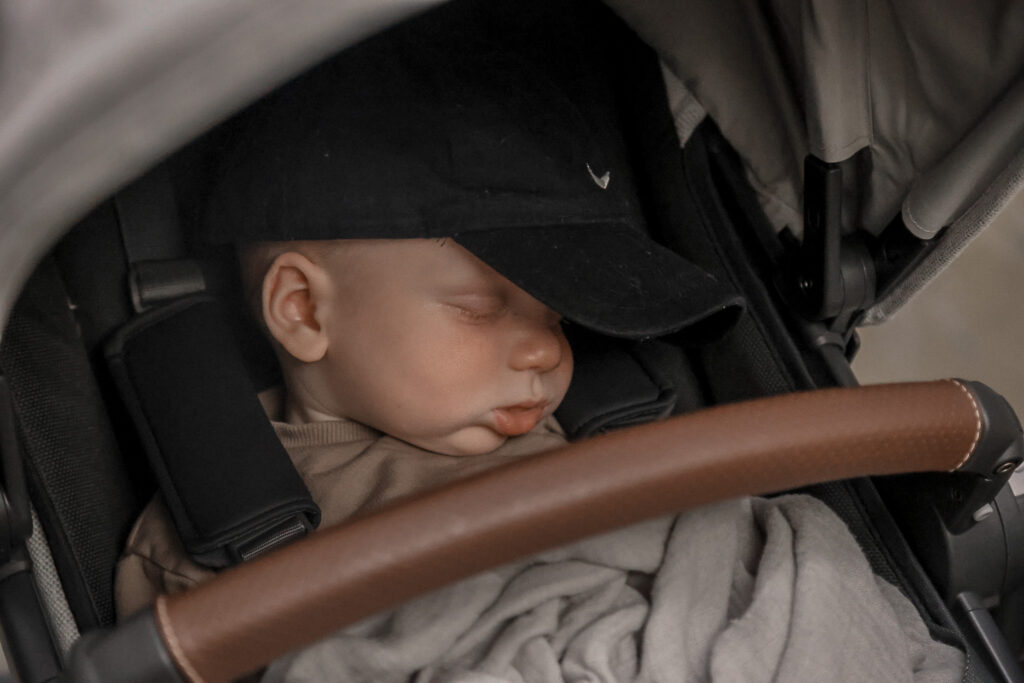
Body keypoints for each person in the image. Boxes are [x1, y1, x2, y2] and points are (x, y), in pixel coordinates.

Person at [115, 2, 966, 680]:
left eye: (561, 313)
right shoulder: (223, 519)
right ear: (302, 310)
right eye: (484, 308)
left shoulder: (605, 412)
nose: (545, 353)